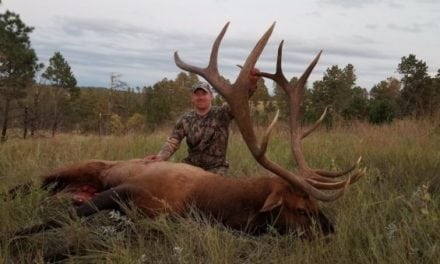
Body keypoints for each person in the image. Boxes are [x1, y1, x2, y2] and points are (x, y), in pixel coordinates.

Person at [144, 69, 260, 175]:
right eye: (196, 94)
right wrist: (160, 157)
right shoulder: (186, 119)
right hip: (191, 168)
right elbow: (172, 142)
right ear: (192, 98)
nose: (200, 97)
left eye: (204, 94)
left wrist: (252, 84)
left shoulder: (223, 113)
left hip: (216, 169)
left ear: (211, 96)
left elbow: (240, 100)